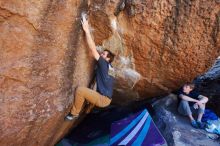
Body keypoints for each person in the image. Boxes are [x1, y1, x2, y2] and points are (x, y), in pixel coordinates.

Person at [65, 15, 115, 121]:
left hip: (103, 99)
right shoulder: (111, 68)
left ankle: (74, 113)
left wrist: (87, 30)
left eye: (104, 55)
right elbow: (105, 80)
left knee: (80, 90)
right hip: (106, 98)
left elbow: (92, 49)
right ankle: (88, 107)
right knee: (90, 91)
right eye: (103, 53)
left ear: (107, 59)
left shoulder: (104, 64)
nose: (101, 54)